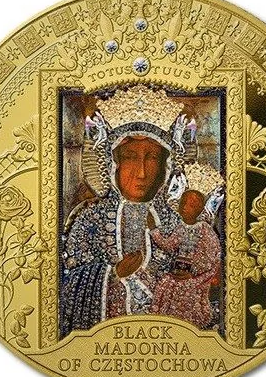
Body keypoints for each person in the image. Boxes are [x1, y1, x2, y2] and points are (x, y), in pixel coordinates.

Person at [60, 132, 180, 336]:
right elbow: (67, 283)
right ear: (113, 164)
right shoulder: (90, 218)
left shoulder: (175, 222)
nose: (141, 173)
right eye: (130, 157)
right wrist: (112, 274)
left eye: (152, 158)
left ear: (165, 166)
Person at [148, 189, 221, 329]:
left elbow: (212, 255)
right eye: (183, 203)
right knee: (165, 284)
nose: (185, 207)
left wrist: (193, 273)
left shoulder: (205, 229)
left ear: (199, 209)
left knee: (183, 291)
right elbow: (169, 245)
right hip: (178, 273)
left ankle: (184, 328)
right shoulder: (181, 227)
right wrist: (153, 230)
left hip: (195, 277)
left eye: (191, 205)